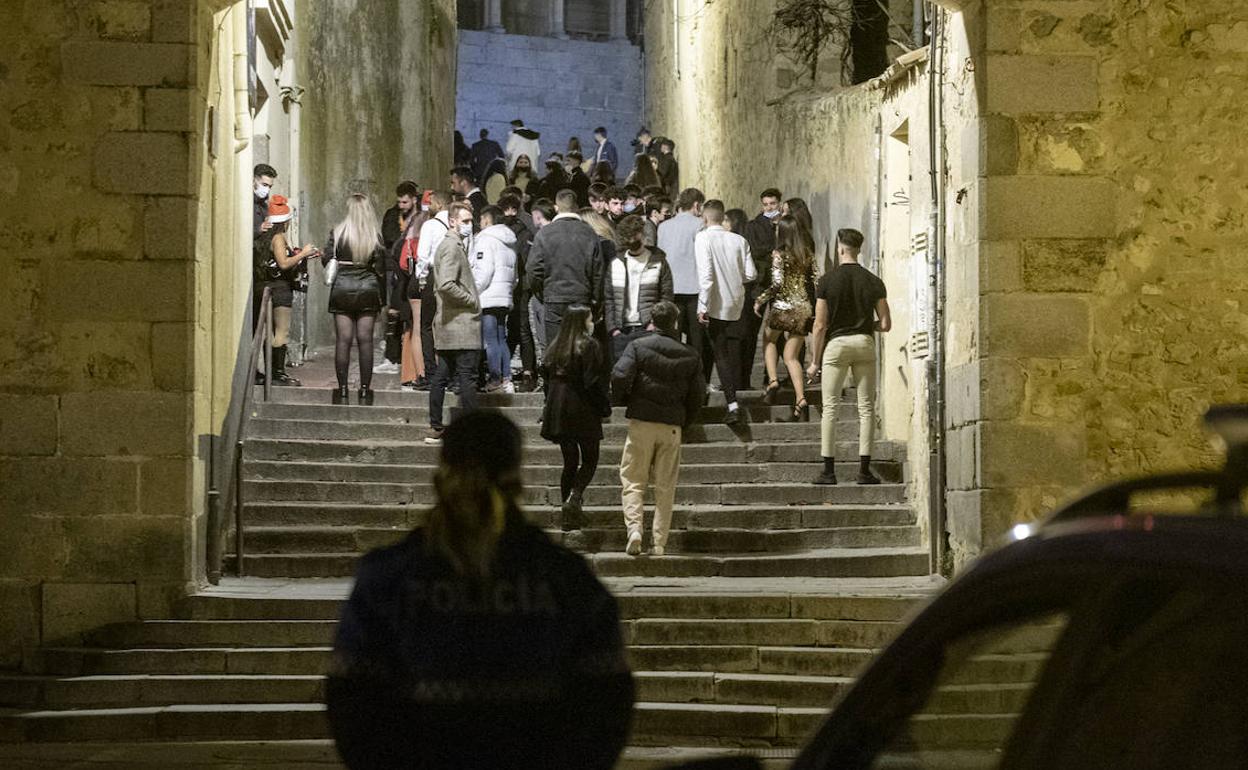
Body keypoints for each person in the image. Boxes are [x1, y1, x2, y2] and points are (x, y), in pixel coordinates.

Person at [327, 411, 634, 770]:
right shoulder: (566, 578)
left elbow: (351, 697)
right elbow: (607, 699)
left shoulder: (389, 577)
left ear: (442, 472)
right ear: (518, 476)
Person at [611, 301, 705, 557]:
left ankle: (635, 530)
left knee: (632, 480)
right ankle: (660, 541)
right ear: (675, 322)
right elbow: (699, 394)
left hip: (642, 421)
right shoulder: (690, 354)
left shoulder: (638, 346)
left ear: (651, 321)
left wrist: (625, 398)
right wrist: (686, 419)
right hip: (671, 425)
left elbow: (620, 375)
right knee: (665, 486)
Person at [807, 228, 891, 486]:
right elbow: (886, 323)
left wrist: (814, 362)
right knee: (866, 408)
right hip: (864, 343)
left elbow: (820, 325)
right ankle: (864, 471)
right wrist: (867, 327)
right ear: (859, 249)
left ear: (840, 249)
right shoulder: (874, 280)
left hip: (836, 344)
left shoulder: (827, 281)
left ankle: (828, 472)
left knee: (830, 408)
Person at [539, 305, 611, 532]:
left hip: (558, 408)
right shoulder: (588, 345)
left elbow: (546, 376)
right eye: (590, 319)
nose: (593, 323)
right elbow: (591, 382)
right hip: (582, 407)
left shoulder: (555, 346)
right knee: (590, 459)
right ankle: (574, 497)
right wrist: (604, 407)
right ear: (582, 322)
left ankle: (568, 515)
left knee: (569, 461)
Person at [426, 202, 483, 445]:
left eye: (471, 221)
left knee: (443, 375)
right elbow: (447, 284)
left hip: (451, 325)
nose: (469, 225)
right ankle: (469, 430)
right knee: (467, 377)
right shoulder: (451, 247)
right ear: (452, 221)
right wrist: (471, 300)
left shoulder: (453, 245)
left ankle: (436, 426)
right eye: (465, 221)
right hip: (460, 323)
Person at [695, 200, 756, 425]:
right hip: (736, 303)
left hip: (714, 304)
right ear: (723, 218)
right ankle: (732, 398)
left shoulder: (703, 238)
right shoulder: (739, 240)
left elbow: (706, 276)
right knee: (728, 352)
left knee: (719, 354)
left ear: (704, 217)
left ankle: (732, 404)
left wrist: (703, 306)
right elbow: (750, 273)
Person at [324, 194, 386, 405]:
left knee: (343, 340)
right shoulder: (375, 235)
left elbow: (326, 258)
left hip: (342, 287)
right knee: (365, 340)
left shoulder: (338, 232)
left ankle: (342, 389)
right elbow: (380, 267)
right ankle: (365, 389)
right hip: (367, 288)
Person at [754, 215, 816, 422]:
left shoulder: (778, 254)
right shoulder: (807, 253)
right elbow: (816, 281)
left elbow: (777, 285)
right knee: (791, 356)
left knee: (769, 339)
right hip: (803, 308)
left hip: (783, 307)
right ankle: (801, 400)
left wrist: (760, 299)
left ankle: (772, 381)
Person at [526, 189, 604, 348]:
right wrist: (595, 299)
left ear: (556, 207)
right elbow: (598, 271)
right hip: (582, 297)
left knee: (556, 349)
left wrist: (542, 293)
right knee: (580, 348)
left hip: (553, 297)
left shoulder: (544, 234)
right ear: (576, 206)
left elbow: (533, 269)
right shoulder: (589, 233)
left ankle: (557, 372)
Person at [255, 195, 316, 387]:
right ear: (285, 221)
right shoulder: (278, 237)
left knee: (270, 333)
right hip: (279, 288)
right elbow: (283, 263)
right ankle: (277, 373)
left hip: (262, 286)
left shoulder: (263, 237)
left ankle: (270, 372)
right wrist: (304, 254)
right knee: (282, 332)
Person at [656, 187, 712, 382]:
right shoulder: (700, 225)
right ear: (697, 205)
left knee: (673, 335)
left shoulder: (663, 227)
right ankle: (696, 377)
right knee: (698, 339)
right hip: (695, 289)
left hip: (671, 288)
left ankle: (673, 377)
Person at [606, 215, 674, 362]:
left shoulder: (659, 261)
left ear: (642, 235)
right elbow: (609, 298)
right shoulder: (615, 263)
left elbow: (666, 296)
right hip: (622, 331)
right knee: (622, 377)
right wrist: (613, 329)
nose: (633, 242)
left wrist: (655, 324)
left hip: (648, 329)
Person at [472, 206, 519, 394]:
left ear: (486, 219)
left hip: (488, 297)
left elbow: (484, 271)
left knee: (490, 340)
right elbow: (515, 276)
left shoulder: (485, 240)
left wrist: (473, 291)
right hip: (504, 296)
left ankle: (495, 378)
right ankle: (507, 378)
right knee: (501, 339)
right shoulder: (509, 242)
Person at [740, 188, 783, 389]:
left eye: (772, 204)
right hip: (760, 285)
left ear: (779, 204)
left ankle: (771, 376)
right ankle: (744, 378)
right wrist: (771, 254)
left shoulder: (785, 225)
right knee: (750, 333)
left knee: (779, 331)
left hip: (781, 285)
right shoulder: (754, 226)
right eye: (766, 205)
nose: (769, 208)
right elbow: (753, 252)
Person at [379, 182, 422, 376]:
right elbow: (388, 237)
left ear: (414, 199)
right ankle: (392, 354)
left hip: (411, 272)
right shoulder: (391, 215)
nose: (402, 206)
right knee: (393, 311)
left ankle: (406, 356)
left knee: (408, 314)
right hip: (394, 268)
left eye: (405, 202)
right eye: (399, 202)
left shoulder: (421, 218)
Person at [499, 195, 538, 392]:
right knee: (517, 328)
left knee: (517, 327)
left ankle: (524, 370)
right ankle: (526, 370)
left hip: (516, 285)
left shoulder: (507, 230)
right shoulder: (524, 230)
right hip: (518, 284)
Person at [416, 191, 454, 386]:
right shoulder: (458, 224)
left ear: (439, 204)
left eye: (431, 202)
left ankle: (431, 372)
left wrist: (421, 278)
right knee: (449, 324)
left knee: (427, 325)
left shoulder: (430, 225)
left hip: (434, 275)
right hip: (454, 276)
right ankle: (450, 372)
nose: (428, 205)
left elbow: (422, 256)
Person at [527, 198, 556, 369]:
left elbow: (533, 268)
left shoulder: (541, 236)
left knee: (545, 337)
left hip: (544, 292)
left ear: (537, 216)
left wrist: (537, 291)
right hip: (559, 290)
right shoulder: (562, 232)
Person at [253, 163, 277, 239]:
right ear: (253, 180)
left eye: (270, 186)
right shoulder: (244, 202)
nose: (267, 190)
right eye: (264, 185)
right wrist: (258, 229)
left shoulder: (264, 205)